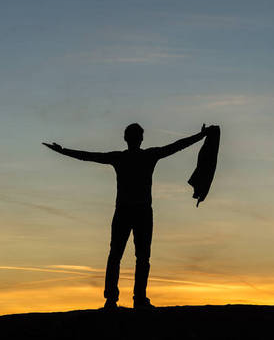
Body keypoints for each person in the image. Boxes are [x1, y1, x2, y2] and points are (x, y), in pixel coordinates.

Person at [43, 123, 212, 310]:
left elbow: (89, 156)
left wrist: (63, 151)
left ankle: (115, 299)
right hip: (139, 212)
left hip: (126, 211)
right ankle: (136, 298)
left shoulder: (122, 157)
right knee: (137, 257)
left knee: (117, 255)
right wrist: (200, 135)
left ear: (126, 138)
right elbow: (176, 146)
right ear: (141, 139)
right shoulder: (148, 155)